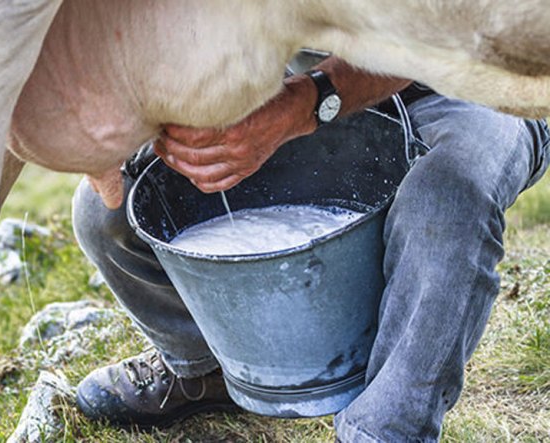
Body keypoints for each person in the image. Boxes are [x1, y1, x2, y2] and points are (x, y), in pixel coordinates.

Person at [70, 55, 550, 442]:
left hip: (478, 82)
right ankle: (208, 366)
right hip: (293, 71)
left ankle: (385, 429)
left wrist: (302, 106)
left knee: (446, 202)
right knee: (109, 210)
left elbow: (445, 31)